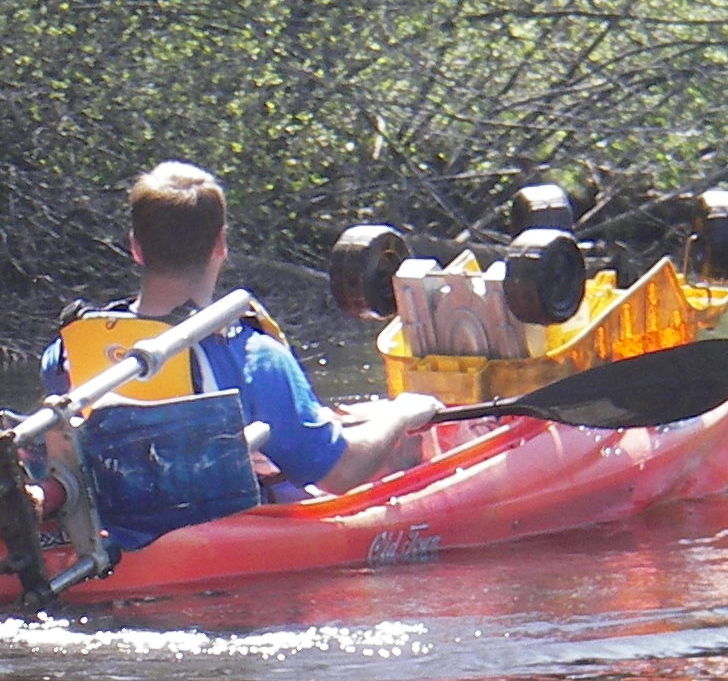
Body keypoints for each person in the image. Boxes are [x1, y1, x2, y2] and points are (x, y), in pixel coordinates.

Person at [43, 161, 440, 495]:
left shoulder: (67, 352)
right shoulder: (252, 359)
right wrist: (402, 413)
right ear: (220, 244)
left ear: (135, 247)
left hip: (120, 521)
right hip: (218, 533)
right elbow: (340, 473)